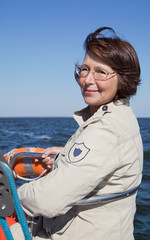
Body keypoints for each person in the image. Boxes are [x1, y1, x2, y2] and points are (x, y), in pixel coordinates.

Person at [11, 27, 143, 240]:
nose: (87, 80)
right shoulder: (121, 116)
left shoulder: (106, 131)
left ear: (124, 79)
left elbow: (47, 200)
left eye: (101, 72)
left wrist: (11, 195)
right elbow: (103, 160)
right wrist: (65, 155)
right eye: (84, 69)